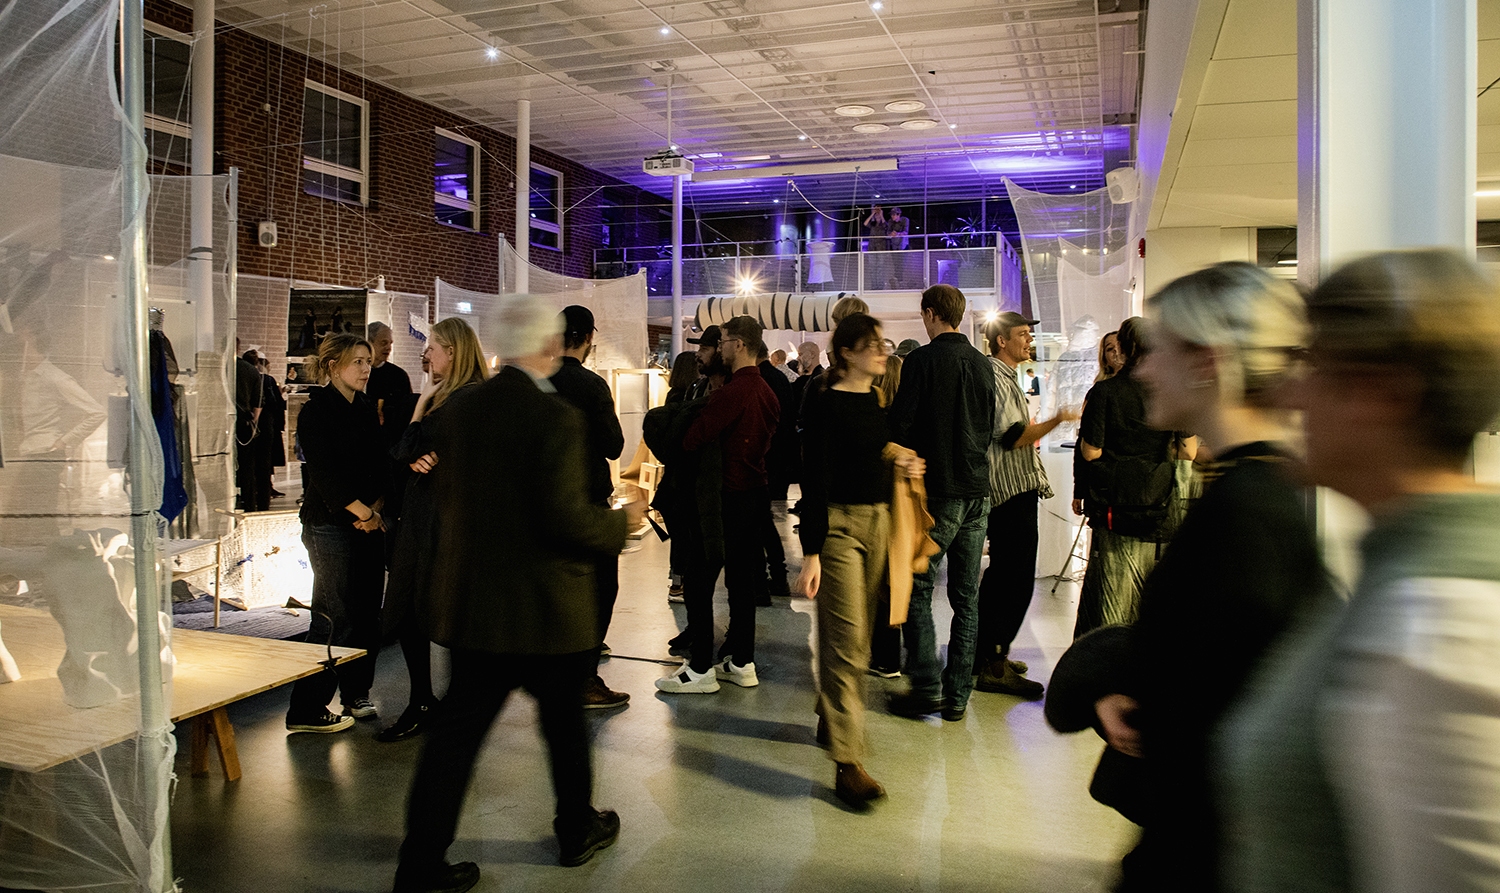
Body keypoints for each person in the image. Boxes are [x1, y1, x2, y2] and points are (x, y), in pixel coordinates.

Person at [1215, 249, 1500, 893]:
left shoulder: (1446, 618)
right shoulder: (1404, 572)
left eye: (1310, 365)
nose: (1289, 394)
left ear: (1383, 393)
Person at [1084, 262, 1324, 891]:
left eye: (1157, 351)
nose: (1141, 369)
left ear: (1207, 362)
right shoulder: (1254, 495)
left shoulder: (1246, 512)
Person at [392, 295, 643, 893]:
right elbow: (563, 518)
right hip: (545, 608)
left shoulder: (462, 410)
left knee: (454, 739)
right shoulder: (554, 417)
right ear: (550, 345)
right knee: (562, 724)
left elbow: (431, 477)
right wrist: (622, 523)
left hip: (476, 605)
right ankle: (576, 828)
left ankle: (420, 863)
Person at [797, 313, 924, 808]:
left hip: (880, 522)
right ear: (847, 352)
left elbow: (872, 446)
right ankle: (848, 763)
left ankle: (832, 720)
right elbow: (816, 480)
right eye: (872, 345)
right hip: (838, 528)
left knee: (859, 634)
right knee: (849, 641)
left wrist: (900, 456)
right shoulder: (825, 404)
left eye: (883, 343)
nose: (882, 351)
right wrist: (811, 552)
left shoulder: (875, 399)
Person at [376, 318, 489, 743]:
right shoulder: (461, 397)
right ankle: (428, 701)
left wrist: (421, 406)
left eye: (434, 348)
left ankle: (432, 703)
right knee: (419, 612)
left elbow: (404, 448)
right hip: (434, 520)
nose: (427, 355)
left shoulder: (463, 399)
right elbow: (408, 452)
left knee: (424, 611)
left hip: (439, 524)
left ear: (454, 352)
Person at [886, 284, 995, 722]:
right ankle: (957, 697)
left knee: (918, 586)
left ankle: (927, 683)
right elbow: (986, 425)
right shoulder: (982, 364)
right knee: (967, 598)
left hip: (937, 491)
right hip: (976, 490)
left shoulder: (922, 360)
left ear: (931, 314)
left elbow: (902, 424)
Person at [656, 315, 779, 693]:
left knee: (697, 581)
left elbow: (693, 440)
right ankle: (741, 661)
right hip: (753, 494)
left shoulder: (732, 393)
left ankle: (700, 669)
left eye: (723, 340)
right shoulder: (767, 393)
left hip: (724, 498)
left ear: (739, 344)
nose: (720, 347)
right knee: (742, 582)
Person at [284, 333, 386, 733]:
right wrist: (362, 512)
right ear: (332, 366)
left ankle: (357, 692)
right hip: (330, 525)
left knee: (366, 615)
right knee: (333, 616)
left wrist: (374, 510)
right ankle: (307, 708)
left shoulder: (364, 408)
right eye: (358, 361)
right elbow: (324, 476)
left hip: (367, 523)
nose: (366, 368)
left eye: (368, 361)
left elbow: (380, 464)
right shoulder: (315, 412)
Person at [973, 313, 1078, 699]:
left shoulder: (1004, 376)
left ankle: (986, 656)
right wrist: (1058, 419)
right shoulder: (999, 378)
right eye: (1022, 334)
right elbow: (1014, 436)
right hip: (1011, 491)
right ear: (1001, 341)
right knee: (1013, 579)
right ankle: (994, 664)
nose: (1029, 339)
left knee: (1005, 576)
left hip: (1012, 489)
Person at [1072, 317, 1182, 638]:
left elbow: (1090, 452)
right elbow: (1186, 448)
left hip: (1116, 504)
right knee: (1147, 594)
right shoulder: (1167, 391)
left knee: (1109, 593)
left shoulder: (1105, 392)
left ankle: (1105, 667)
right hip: (1158, 499)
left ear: (1123, 346)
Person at [549, 305, 630, 710]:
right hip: (588, 499)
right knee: (601, 588)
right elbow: (613, 445)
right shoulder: (591, 385)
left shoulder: (538, 382)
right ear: (587, 338)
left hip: (544, 502)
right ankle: (583, 678)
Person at [756, 338, 795, 599]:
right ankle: (778, 575)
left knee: (761, 520)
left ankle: (769, 579)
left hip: (762, 459)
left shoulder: (759, 381)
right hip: (778, 457)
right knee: (765, 521)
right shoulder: (780, 379)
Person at [663, 350, 699, 603]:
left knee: (679, 534)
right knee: (686, 534)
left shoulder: (670, 397)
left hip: (672, 472)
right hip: (686, 474)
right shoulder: (689, 399)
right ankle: (679, 583)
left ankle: (677, 579)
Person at [366, 321, 414, 443]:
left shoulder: (399, 375)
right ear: (369, 343)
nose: (388, 348)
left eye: (390, 343)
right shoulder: (360, 374)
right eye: (383, 343)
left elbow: (406, 412)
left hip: (392, 441)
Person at [234, 344, 268, 512]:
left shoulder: (227, 368)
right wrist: (254, 420)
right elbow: (258, 401)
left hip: (229, 422)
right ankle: (249, 504)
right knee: (247, 466)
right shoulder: (250, 370)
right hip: (244, 422)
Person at [862, 206, 889, 289]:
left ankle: (880, 286)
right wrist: (872, 213)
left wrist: (881, 214)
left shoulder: (883, 224)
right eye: (876, 215)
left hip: (881, 248)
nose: (877, 216)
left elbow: (885, 225)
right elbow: (865, 223)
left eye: (878, 215)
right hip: (872, 248)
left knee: (880, 268)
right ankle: (873, 286)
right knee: (873, 268)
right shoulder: (872, 225)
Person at [887, 207, 910, 288]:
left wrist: (898, 233)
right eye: (892, 215)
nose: (892, 216)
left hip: (903, 245)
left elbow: (905, 232)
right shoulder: (890, 221)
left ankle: (900, 281)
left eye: (894, 215)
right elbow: (888, 233)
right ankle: (897, 280)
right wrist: (891, 234)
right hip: (894, 245)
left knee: (901, 263)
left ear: (898, 214)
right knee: (895, 263)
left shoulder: (904, 220)